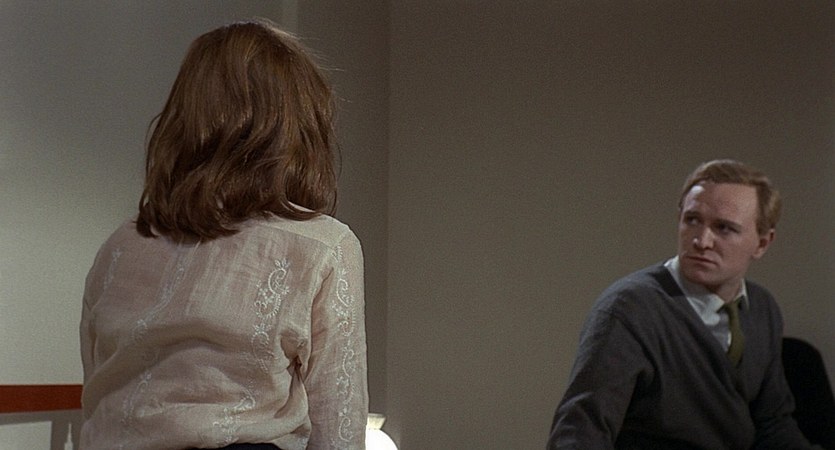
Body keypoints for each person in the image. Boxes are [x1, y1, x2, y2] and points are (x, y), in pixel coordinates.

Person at [79, 19, 368, 450]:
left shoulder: (120, 245)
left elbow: (97, 388)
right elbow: (338, 426)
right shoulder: (321, 246)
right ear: (299, 124)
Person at [548, 160, 818, 449]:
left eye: (723, 228)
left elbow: (773, 424)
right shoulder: (630, 308)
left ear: (762, 243)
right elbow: (581, 431)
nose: (701, 241)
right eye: (692, 220)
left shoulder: (762, 309)